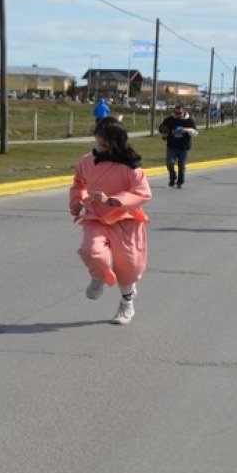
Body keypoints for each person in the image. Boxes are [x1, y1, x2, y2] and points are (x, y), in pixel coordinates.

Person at [70, 117, 152, 325]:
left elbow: (142, 193)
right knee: (92, 252)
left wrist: (111, 200)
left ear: (117, 142)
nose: (101, 147)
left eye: (106, 144)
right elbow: (78, 184)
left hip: (125, 218)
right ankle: (99, 275)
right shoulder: (86, 161)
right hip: (96, 217)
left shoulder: (130, 166)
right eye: (99, 142)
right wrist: (77, 202)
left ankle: (126, 304)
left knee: (129, 266)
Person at [158, 104, 198, 188]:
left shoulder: (189, 121)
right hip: (171, 146)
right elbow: (162, 129)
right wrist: (164, 134)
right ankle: (173, 177)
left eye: (179, 113)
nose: (177, 115)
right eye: (175, 113)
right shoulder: (169, 120)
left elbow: (196, 133)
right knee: (169, 163)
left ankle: (180, 182)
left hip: (184, 147)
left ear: (184, 112)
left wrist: (186, 130)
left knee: (181, 165)